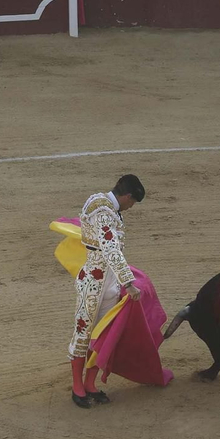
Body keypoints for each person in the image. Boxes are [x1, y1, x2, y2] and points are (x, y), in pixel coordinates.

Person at [66, 174, 146, 408]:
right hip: (93, 281)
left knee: (102, 334)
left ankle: (90, 383)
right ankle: (77, 386)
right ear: (127, 196)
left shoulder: (108, 207)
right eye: (132, 203)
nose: (131, 208)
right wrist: (129, 283)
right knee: (83, 334)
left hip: (109, 280)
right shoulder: (101, 209)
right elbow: (110, 248)